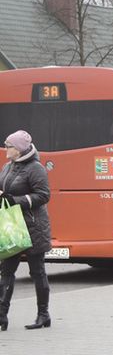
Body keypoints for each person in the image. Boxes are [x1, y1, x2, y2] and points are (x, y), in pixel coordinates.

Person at [0, 130, 52, 331]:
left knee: (37, 272)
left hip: (33, 227)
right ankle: (2, 316)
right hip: (13, 228)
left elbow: (43, 195)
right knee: (6, 271)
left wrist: (17, 201)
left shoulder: (35, 168)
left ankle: (43, 314)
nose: (6, 148)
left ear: (19, 150)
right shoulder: (7, 167)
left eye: (9, 145)